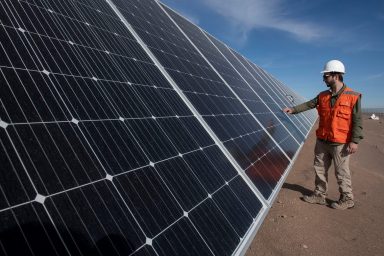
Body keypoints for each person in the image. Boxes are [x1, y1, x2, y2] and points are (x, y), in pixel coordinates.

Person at [283, 60, 363, 210]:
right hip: (322, 141)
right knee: (319, 169)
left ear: (336, 75)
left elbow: (358, 120)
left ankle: (347, 199)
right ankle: (319, 195)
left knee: (341, 172)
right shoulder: (322, 95)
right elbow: (309, 104)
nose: (324, 79)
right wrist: (293, 110)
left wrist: (355, 141)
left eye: (326, 76)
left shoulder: (353, 96)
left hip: (341, 143)